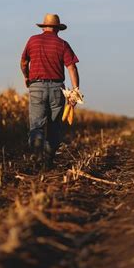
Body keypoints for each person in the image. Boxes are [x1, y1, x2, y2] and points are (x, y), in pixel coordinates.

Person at [20, 13, 80, 166]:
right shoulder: (62, 44)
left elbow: (23, 62)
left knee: (36, 125)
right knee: (55, 128)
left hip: (36, 86)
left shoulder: (32, 40)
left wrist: (26, 76)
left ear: (44, 26)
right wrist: (75, 91)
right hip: (57, 89)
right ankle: (47, 160)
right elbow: (71, 67)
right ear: (58, 29)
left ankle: (37, 143)